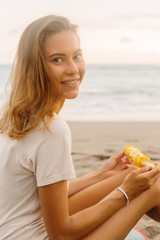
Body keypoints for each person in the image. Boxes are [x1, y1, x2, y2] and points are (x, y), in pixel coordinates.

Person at [0, 15, 160, 240]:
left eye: (76, 56)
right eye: (57, 60)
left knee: (136, 173)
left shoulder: (11, 116)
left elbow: (39, 195)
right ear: (35, 68)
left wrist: (102, 174)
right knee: (153, 185)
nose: (73, 68)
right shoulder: (52, 129)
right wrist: (125, 192)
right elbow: (61, 234)